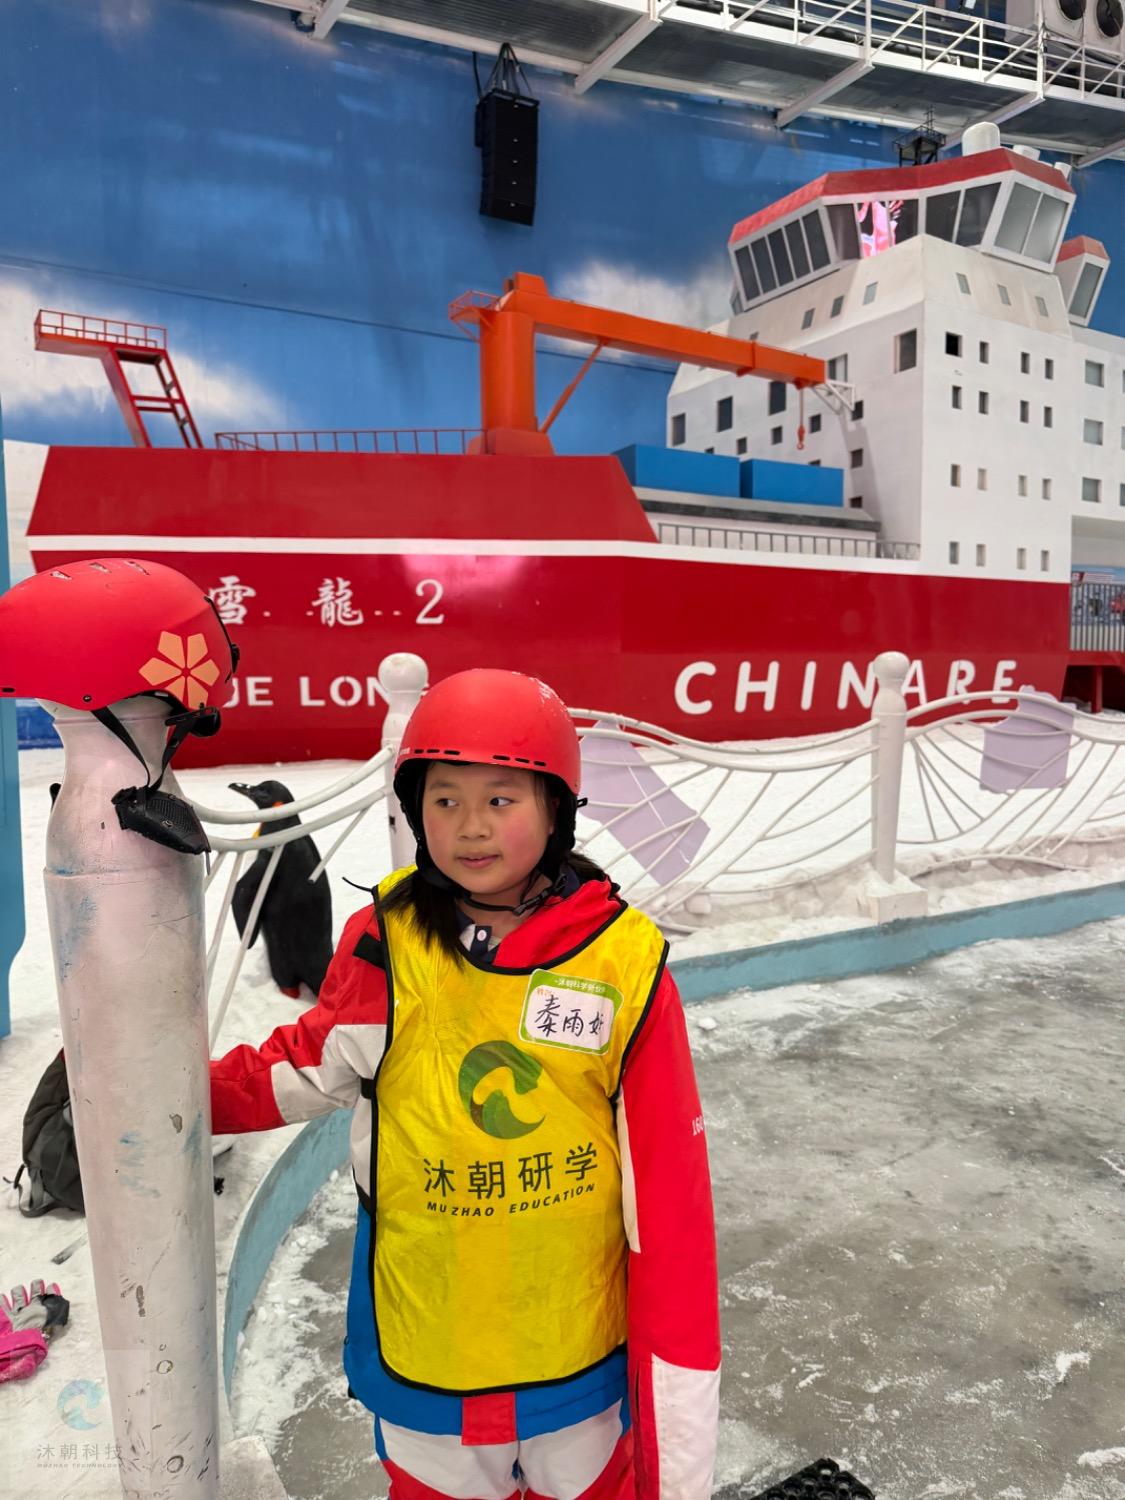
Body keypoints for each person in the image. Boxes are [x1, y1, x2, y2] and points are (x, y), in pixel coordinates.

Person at [210, 668, 720, 1498]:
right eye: (444, 800)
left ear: (554, 811)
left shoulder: (620, 962)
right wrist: (170, 1095)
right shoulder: (386, 944)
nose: (470, 827)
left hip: (575, 1353)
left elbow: (666, 1178)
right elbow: (302, 1065)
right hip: (428, 1346)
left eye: (500, 799)